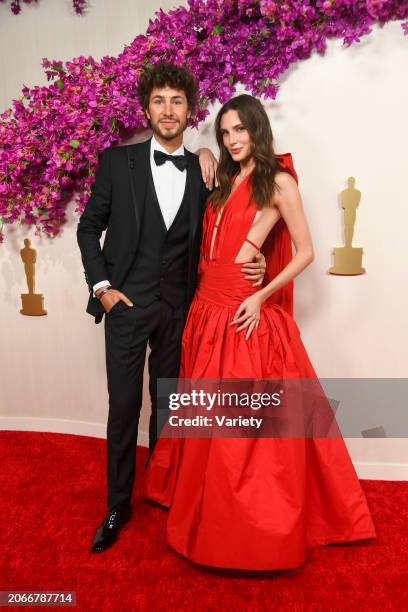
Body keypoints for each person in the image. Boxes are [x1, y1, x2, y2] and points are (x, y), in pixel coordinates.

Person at [143, 94, 377, 571]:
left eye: (239, 130)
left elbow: (306, 251)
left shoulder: (280, 180)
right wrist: (205, 154)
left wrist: (262, 294)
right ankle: (201, 509)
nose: (232, 140)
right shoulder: (225, 176)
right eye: (224, 133)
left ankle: (246, 527)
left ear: (257, 128)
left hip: (240, 312)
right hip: (205, 310)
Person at [76, 63, 266, 553]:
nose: (168, 110)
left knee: (170, 407)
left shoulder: (207, 171)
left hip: (180, 310)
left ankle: (161, 492)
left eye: (177, 102)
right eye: (159, 101)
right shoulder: (118, 164)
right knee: (124, 408)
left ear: (189, 110)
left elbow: (231, 225)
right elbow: (87, 228)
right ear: (146, 108)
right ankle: (119, 503)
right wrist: (102, 287)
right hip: (125, 306)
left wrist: (258, 261)